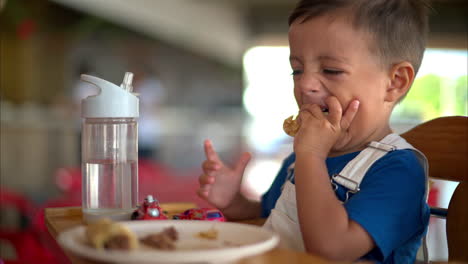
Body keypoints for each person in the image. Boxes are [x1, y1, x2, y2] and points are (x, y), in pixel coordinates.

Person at [197, 0, 431, 263]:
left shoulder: (398, 171)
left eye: (331, 70)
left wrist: (310, 155)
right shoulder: (300, 161)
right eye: (297, 70)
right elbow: (269, 220)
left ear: (394, 83)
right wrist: (235, 203)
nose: (305, 84)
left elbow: (331, 249)